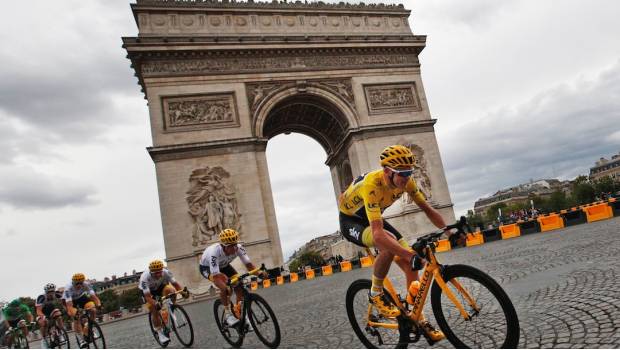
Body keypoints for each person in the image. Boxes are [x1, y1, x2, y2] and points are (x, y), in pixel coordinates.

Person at [338, 144, 447, 342]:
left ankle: (417, 318)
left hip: (374, 217)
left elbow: (428, 209)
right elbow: (378, 236)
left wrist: (449, 229)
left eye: (410, 173)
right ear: (388, 171)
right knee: (387, 244)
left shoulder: (407, 182)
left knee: (408, 264)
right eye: (402, 174)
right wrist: (411, 254)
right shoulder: (372, 184)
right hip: (351, 220)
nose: (407, 178)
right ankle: (375, 293)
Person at [198, 228, 268, 327]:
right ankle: (228, 315)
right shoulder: (214, 253)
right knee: (226, 289)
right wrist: (225, 286)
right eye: (231, 246)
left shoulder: (238, 248)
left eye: (235, 244)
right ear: (223, 246)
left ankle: (239, 311)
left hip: (224, 265)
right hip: (207, 268)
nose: (234, 248)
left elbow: (249, 265)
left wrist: (260, 273)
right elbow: (217, 277)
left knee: (238, 284)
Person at [139, 260, 188, 345]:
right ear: (151, 272)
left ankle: (172, 307)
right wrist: (155, 303)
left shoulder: (166, 272)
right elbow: (147, 297)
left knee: (171, 290)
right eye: (156, 273)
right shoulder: (145, 278)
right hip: (148, 292)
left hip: (160, 287)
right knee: (154, 309)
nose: (158, 275)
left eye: (159, 272)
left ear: (162, 270)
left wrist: (183, 292)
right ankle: (159, 331)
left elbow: (176, 285)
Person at [63, 273, 101, 349]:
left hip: (81, 297)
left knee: (92, 309)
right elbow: (69, 305)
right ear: (73, 282)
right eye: (77, 283)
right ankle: (81, 340)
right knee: (76, 316)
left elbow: (94, 297)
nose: (79, 285)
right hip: (70, 301)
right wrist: (73, 312)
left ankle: (89, 327)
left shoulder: (86, 284)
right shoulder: (68, 288)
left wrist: (99, 304)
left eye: (81, 283)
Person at [36, 283, 65, 348]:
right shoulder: (41, 297)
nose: (51, 293)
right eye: (49, 292)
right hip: (42, 312)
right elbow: (38, 310)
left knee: (58, 315)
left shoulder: (57, 294)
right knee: (43, 322)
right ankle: (44, 339)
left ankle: (60, 333)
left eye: (52, 291)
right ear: (46, 292)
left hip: (51, 310)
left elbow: (65, 300)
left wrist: (66, 309)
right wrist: (43, 317)